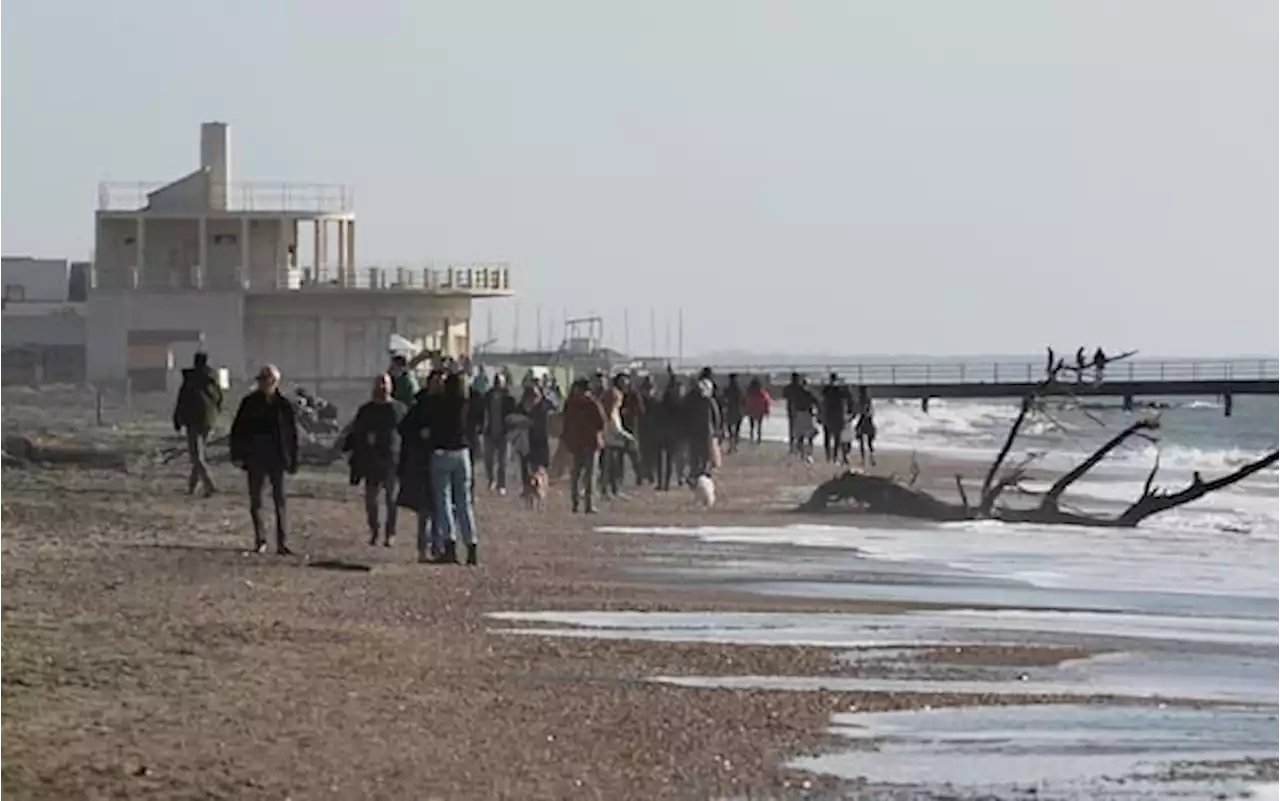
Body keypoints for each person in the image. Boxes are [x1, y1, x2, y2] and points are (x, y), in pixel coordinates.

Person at [229, 365, 299, 554]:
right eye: (261, 379)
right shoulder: (249, 403)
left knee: (280, 501)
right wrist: (237, 455)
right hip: (255, 458)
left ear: (275, 381)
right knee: (256, 501)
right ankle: (260, 540)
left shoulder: (284, 405)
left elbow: (292, 435)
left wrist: (293, 460)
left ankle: (282, 543)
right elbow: (238, 431)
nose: (264, 382)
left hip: (277, 458)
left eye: (267, 379)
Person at [343, 374, 408, 547]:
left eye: (385, 383)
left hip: (392, 460)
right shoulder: (367, 410)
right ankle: (374, 530)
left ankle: (390, 533)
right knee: (371, 501)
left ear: (391, 386)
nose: (382, 387)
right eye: (379, 383)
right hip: (371, 461)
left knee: (391, 499)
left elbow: (407, 433)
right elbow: (356, 432)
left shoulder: (399, 409)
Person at [429, 371, 479, 565]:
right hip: (462, 453)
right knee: (464, 502)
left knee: (444, 501)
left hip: (442, 451)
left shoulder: (438, 403)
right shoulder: (467, 403)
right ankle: (471, 545)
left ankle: (449, 545)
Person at [398, 370, 443, 562]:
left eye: (441, 382)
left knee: (440, 507)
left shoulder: (448, 405)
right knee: (424, 509)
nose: (438, 385)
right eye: (435, 381)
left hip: (442, 458)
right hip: (423, 460)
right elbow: (405, 428)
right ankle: (423, 548)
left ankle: (437, 545)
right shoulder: (420, 404)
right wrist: (420, 434)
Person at [172, 351, 223, 497]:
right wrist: (215, 414)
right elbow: (219, 399)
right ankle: (192, 487)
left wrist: (177, 420)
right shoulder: (212, 380)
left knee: (196, 457)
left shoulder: (191, 380)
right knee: (199, 455)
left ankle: (210, 485)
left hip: (193, 420)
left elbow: (182, 401)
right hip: (208, 421)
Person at [561, 378, 606, 513]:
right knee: (590, 475)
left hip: (576, 441)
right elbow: (602, 422)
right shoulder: (592, 403)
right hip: (591, 442)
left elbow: (566, 421)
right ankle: (589, 504)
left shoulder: (570, 403)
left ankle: (575, 503)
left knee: (576, 473)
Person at [511, 385, 552, 488]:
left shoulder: (543, 407)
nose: (533, 399)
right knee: (525, 468)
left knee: (539, 468)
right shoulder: (520, 407)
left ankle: (539, 488)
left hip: (540, 443)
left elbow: (552, 411)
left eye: (536, 396)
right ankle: (527, 487)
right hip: (525, 442)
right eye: (531, 396)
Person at [481, 373, 517, 494]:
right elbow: (482, 411)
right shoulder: (487, 396)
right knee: (488, 460)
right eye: (496, 380)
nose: (497, 383)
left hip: (504, 434)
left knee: (502, 462)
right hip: (489, 432)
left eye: (500, 381)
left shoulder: (509, 399)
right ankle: (491, 480)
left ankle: (502, 484)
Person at [601, 385, 637, 499]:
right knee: (610, 470)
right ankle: (607, 491)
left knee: (612, 470)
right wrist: (629, 437)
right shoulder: (610, 412)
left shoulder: (613, 411)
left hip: (613, 443)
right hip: (611, 444)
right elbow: (616, 429)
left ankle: (613, 490)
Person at [685, 377, 723, 479]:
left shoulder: (694, 401)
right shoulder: (709, 401)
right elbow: (717, 417)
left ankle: (698, 472)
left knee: (699, 453)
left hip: (700, 431)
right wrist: (717, 430)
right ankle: (701, 472)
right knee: (703, 453)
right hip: (705, 431)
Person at [821, 373, 853, 464]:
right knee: (837, 438)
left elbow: (822, 396)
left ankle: (829, 456)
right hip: (838, 416)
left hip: (828, 415)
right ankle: (834, 457)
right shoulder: (840, 389)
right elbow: (849, 398)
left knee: (828, 437)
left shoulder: (827, 389)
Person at [782, 372, 806, 454]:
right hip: (798, 410)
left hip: (791, 410)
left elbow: (784, 395)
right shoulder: (800, 388)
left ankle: (792, 446)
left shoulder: (788, 388)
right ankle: (798, 445)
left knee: (792, 429)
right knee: (799, 429)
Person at [853, 385, 877, 467]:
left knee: (862, 442)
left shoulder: (862, 400)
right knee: (869, 443)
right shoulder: (869, 400)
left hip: (863, 421)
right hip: (869, 422)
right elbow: (871, 412)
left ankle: (863, 459)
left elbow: (861, 412)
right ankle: (871, 458)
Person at [745, 377, 771, 445]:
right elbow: (766, 401)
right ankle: (758, 438)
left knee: (752, 425)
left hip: (752, 409)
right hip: (759, 410)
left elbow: (746, 400)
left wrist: (746, 409)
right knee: (759, 425)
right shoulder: (762, 392)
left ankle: (752, 436)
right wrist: (767, 410)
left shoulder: (749, 392)